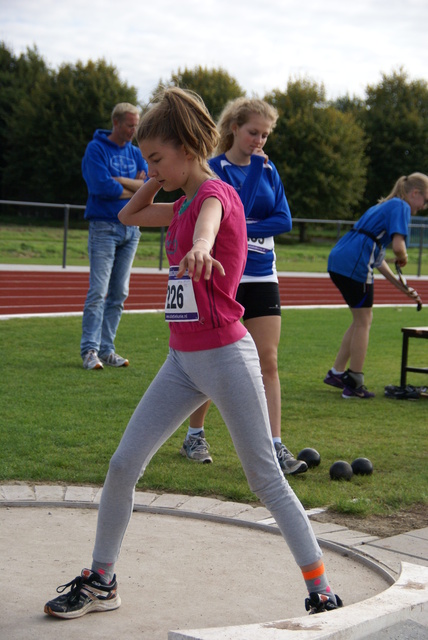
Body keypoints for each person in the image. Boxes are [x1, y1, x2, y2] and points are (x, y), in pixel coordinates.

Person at [44, 87, 342, 620]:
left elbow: (208, 220)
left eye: (157, 158)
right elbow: (133, 214)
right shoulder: (178, 199)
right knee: (122, 463)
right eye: (147, 162)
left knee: (264, 480)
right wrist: (158, 176)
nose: (150, 169)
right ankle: (102, 578)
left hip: (227, 357)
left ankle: (321, 590)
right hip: (181, 361)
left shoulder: (214, 197)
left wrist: (203, 247)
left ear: (187, 147)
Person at [181, 97, 307, 475]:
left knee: (268, 360)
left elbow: (282, 219)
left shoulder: (269, 169)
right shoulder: (213, 169)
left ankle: (275, 446)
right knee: (211, 360)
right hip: (223, 273)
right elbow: (237, 203)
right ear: (234, 127)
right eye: (254, 132)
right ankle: (195, 434)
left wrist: (242, 226)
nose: (259, 141)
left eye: (265, 135)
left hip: (263, 273)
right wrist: (247, 193)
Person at [324, 172, 426, 399]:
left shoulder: (384, 206)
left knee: (360, 319)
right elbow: (398, 247)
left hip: (340, 259)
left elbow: (378, 259)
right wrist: (404, 257)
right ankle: (354, 383)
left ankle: (337, 373)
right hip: (354, 263)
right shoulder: (402, 206)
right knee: (364, 321)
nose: (423, 206)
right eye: (425, 200)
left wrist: (403, 288)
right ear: (415, 193)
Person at [80, 102, 148, 370]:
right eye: (130, 124)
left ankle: (107, 349)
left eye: (136, 124)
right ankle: (89, 351)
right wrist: (133, 186)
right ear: (116, 123)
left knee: (119, 292)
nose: (134, 130)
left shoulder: (135, 153)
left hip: (131, 229)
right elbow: (100, 186)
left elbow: (148, 186)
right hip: (104, 227)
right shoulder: (95, 149)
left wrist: (119, 180)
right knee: (99, 291)